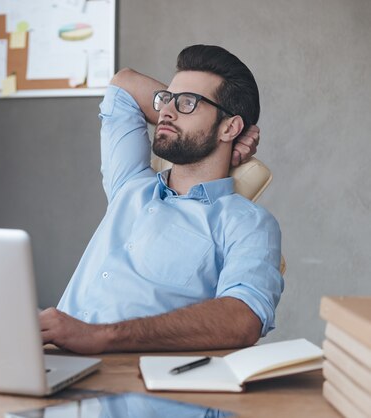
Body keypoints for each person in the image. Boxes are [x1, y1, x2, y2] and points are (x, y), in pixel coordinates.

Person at [40, 45, 283, 354]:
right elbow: (124, 83)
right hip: (50, 359)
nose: (165, 112)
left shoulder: (246, 223)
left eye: (187, 103)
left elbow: (243, 318)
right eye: (166, 99)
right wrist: (191, 112)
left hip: (134, 380)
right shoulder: (130, 183)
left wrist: (103, 335)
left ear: (229, 126)